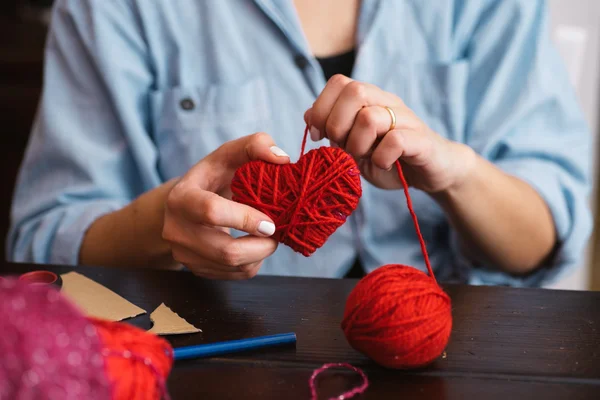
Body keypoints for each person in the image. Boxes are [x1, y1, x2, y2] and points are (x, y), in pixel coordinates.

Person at [7, 0, 592, 286]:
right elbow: (39, 239)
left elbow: (545, 238)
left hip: (445, 349)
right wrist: (162, 221)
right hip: (223, 354)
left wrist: (454, 173)